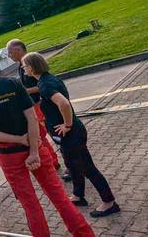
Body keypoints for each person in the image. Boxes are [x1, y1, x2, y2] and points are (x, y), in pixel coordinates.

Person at [0, 52, 94, 237]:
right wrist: (33, 150)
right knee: (59, 196)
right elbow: (32, 117)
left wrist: (18, 140)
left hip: (8, 155)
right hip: (34, 146)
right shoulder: (12, 83)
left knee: (30, 204)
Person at [22, 52, 120, 218]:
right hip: (69, 136)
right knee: (73, 165)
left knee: (88, 168)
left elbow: (64, 103)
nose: (24, 69)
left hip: (71, 135)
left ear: (31, 68)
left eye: (25, 66)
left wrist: (67, 125)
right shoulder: (48, 79)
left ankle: (109, 202)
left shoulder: (45, 85)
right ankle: (78, 195)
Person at [6, 39, 62, 171]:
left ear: (18, 50)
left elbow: (42, 84)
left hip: (40, 105)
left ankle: (67, 161)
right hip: (34, 106)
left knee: (52, 133)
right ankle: (52, 161)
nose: (9, 55)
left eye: (10, 52)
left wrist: (24, 91)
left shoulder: (30, 63)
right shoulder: (21, 65)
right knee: (40, 136)